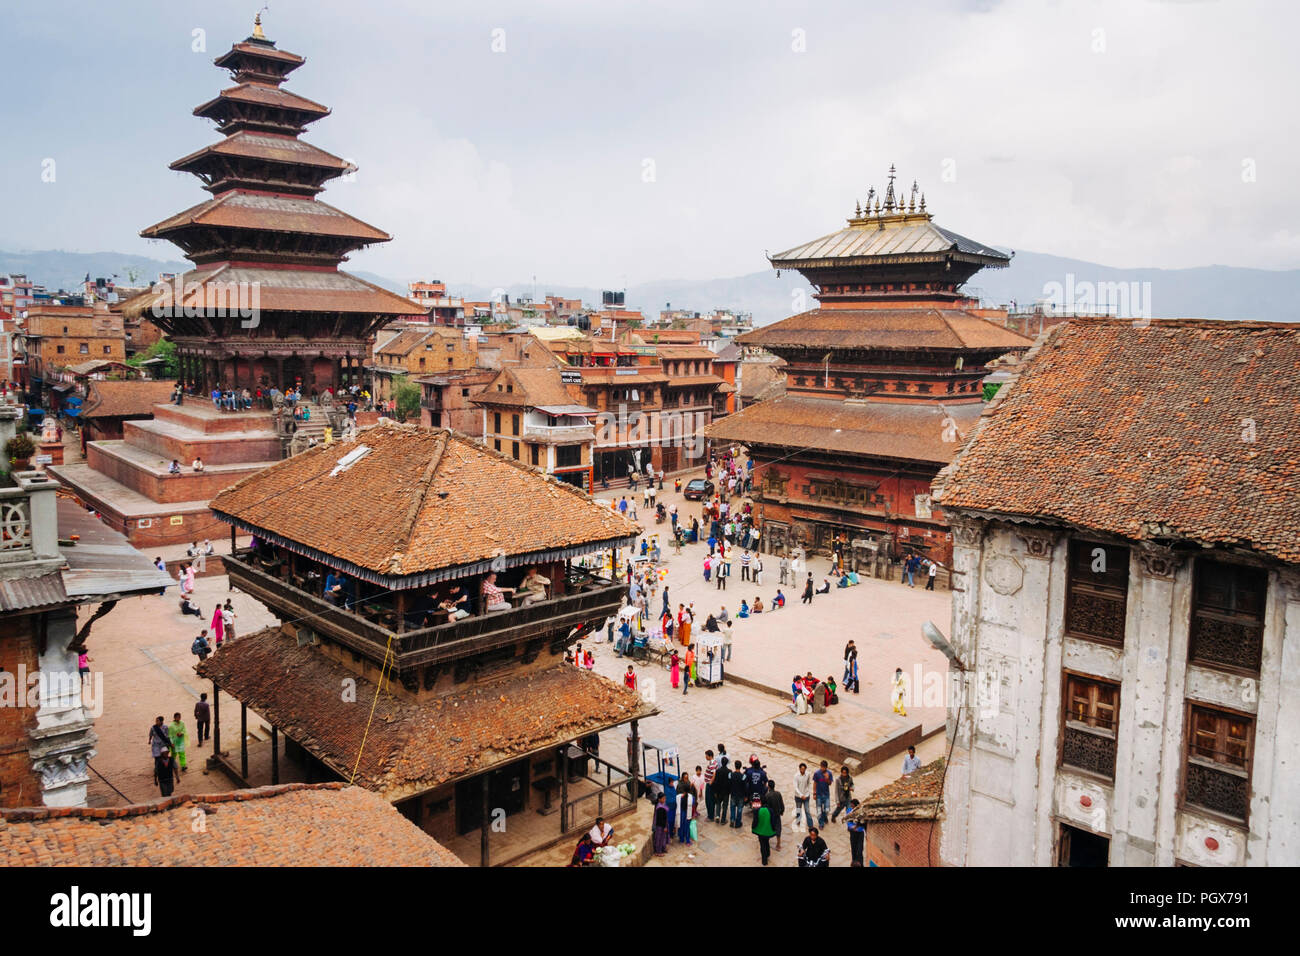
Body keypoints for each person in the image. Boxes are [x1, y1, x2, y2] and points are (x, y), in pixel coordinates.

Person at [752, 797, 776, 865]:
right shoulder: (770, 810)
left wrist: (753, 827)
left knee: (762, 845)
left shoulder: (758, 810)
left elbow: (755, 821)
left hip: (760, 831)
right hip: (768, 831)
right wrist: (774, 829)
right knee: (767, 841)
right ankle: (768, 853)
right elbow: (773, 821)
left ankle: (764, 861)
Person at [792, 762, 814, 832]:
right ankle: (798, 820)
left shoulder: (807, 774)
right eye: (801, 769)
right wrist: (801, 795)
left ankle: (810, 825)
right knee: (799, 809)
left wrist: (807, 792)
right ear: (799, 769)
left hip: (806, 795)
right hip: (798, 796)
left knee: (807, 810)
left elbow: (808, 783)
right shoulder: (796, 776)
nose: (803, 770)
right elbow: (795, 787)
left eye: (804, 769)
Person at [764, 779, 786, 851]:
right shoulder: (778, 793)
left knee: (768, 828)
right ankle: (778, 844)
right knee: (778, 829)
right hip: (777, 814)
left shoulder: (767, 795)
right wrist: (782, 811)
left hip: (770, 815)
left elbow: (766, 806)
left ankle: (766, 842)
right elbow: (781, 803)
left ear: (768, 787)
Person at [812, 760, 834, 828]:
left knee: (827, 809)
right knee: (819, 811)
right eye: (821, 767)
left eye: (824, 767)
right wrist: (814, 793)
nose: (822, 769)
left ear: (826, 767)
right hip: (818, 795)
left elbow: (830, 783)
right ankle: (821, 823)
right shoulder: (817, 773)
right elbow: (815, 783)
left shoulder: (829, 773)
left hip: (826, 794)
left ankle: (824, 817)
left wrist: (827, 778)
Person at [675, 776, 696, 845]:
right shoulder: (691, 797)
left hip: (681, 813)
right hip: (688, 814)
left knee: (681, 825)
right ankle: (687, 840)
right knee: (687, 827)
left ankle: (681, 839)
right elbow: (693, 805)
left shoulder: (679, 797)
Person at [845, 800, 866, 865]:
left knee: (859, 851)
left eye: (853, 805)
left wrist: (857, 827)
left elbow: (863, 822)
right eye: (851, 805)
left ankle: (860, 864)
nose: (852, 807)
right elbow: (848, 821)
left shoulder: (861, 811)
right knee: (853, 850)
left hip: (860, 833)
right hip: (853, 833)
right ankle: (854, 864)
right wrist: (852, 827)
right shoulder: (849, 810)